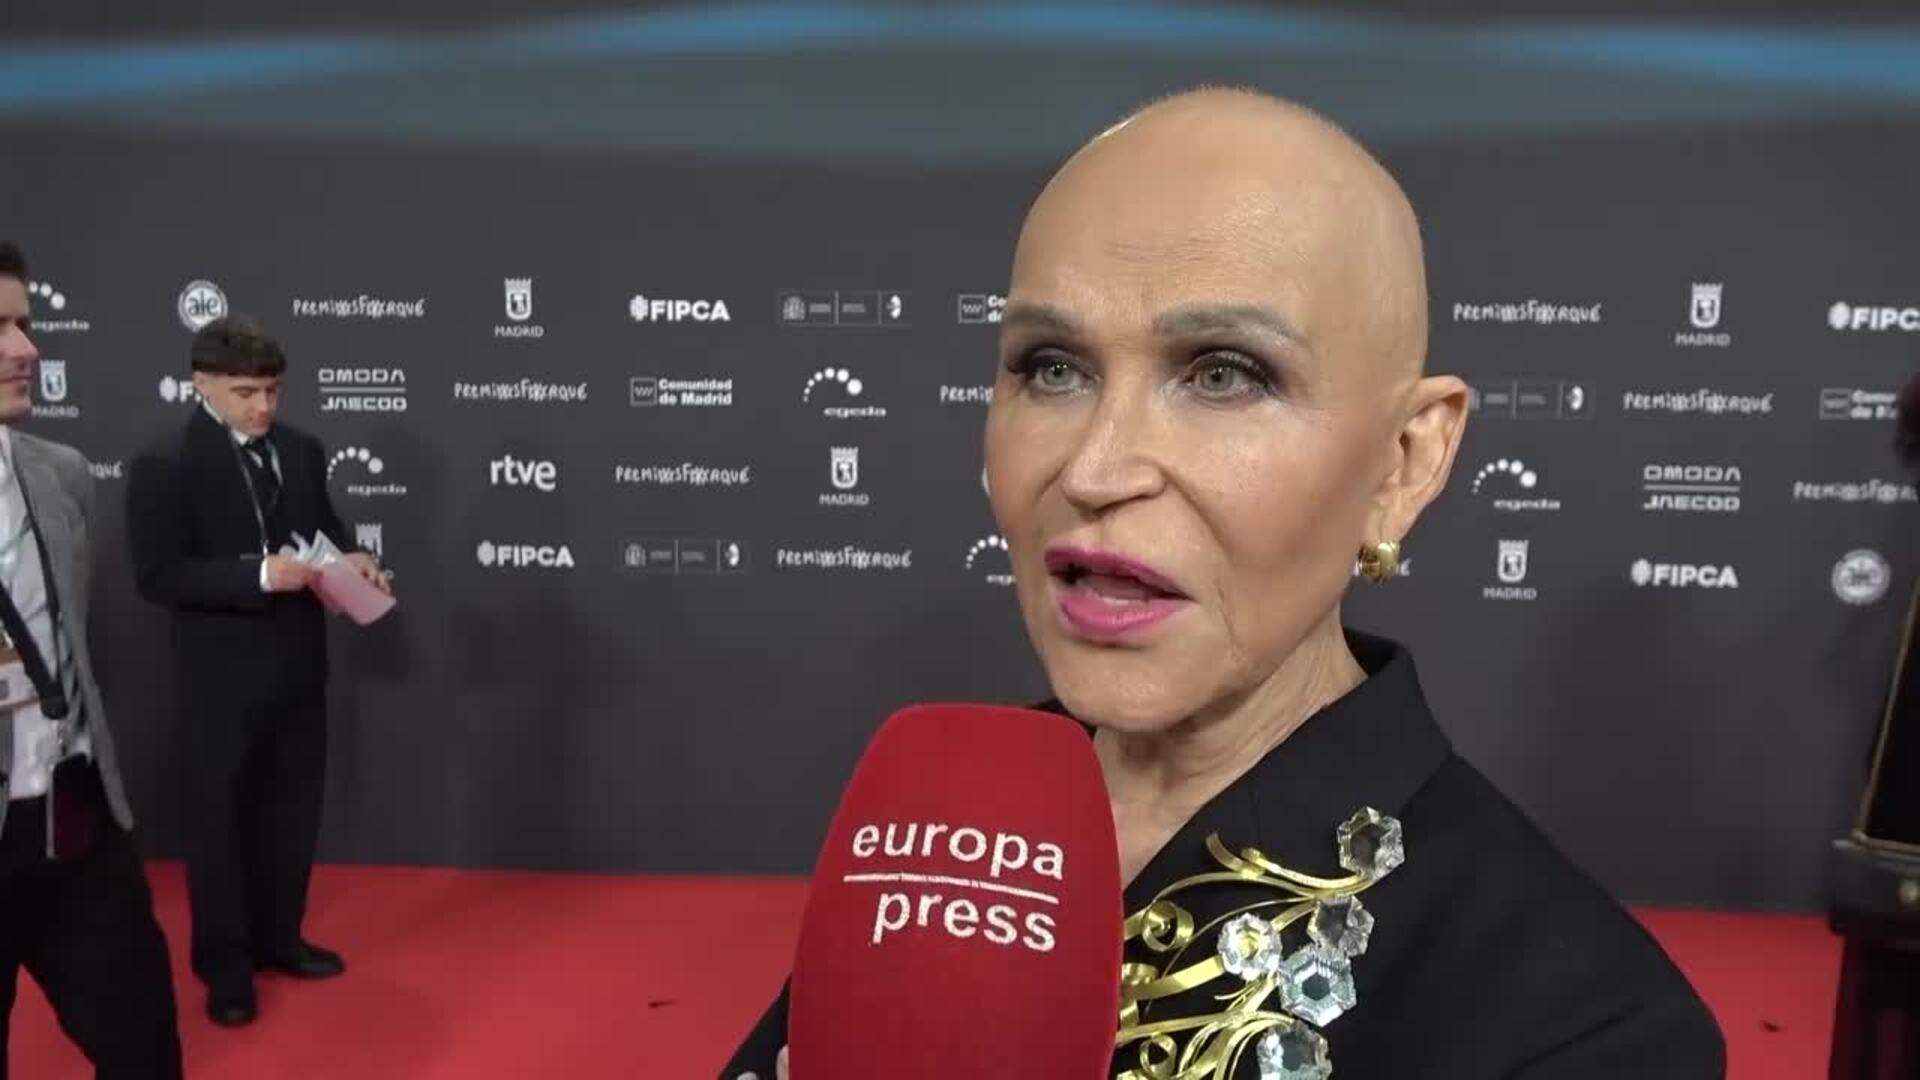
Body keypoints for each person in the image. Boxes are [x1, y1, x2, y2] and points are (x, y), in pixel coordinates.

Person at [723, 88, 1725, 1078]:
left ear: (1404, 462)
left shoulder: (1588, 1027)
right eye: (1053, 367)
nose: (1094, 469)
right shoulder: (943, 831)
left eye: (1223, 374)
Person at [126, 314, 389, 1028]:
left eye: (272, 390)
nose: (263, 406)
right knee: (219, 826)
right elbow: (157, 575)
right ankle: (226, 968)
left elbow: (324, 530)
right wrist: (259, 575)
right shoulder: (163, 464)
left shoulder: (303, 450)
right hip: (217, 680)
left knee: (291, 812)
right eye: (246, 392)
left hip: (301, 667)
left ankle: (280, 939)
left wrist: (352, 559)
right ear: (202, 384)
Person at [0, 241, 183, 1077]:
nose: (27, 348)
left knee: (144, 1049)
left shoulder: (64, 475)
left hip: (75, 822)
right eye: (0, 328)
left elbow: (69, 640)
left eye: (26, 324)